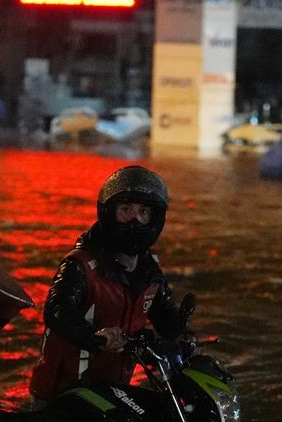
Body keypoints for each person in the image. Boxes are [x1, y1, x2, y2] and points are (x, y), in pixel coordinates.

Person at [29, 165, 189, 403]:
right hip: (63, 395)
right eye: (126, 210)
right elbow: (57, 311)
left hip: (110, 395)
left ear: (155, 218)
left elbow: (166, 318)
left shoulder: (149, 271)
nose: (135, 220)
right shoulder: (80, 265)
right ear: (108, 212)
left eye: (143, 212)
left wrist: (185, 338)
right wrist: (94, 336)